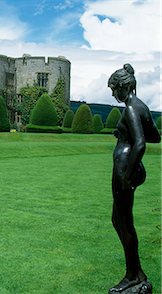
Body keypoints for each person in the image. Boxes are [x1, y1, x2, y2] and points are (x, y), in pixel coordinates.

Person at [107, 64, 161, 292]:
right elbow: (155, 137)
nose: (112, 94)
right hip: (129, 168)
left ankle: (132, 276)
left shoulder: (130, 108)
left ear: (122, 87)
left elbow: (140, 144)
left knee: (123, 222)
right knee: (118, 219)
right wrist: (124, 133)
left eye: (113, 89)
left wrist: (127, 175)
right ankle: (137, 272)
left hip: (124, 170)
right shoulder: (141, 106)